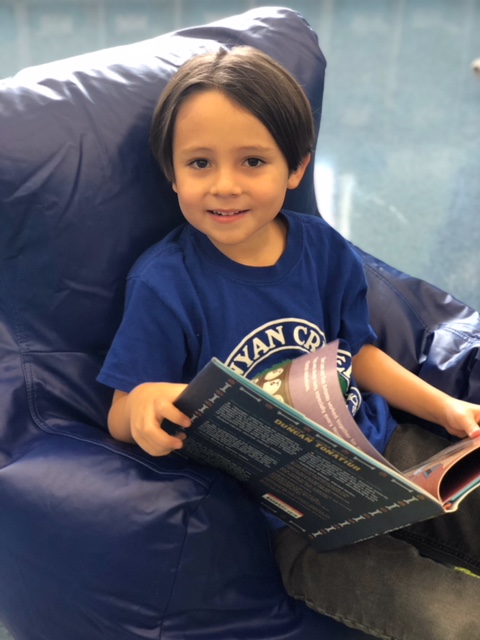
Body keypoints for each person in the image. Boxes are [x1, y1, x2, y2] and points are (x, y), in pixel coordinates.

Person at [98, 46, 480, 639]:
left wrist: (446, 406)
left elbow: (359, 354)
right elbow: (123, 411)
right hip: (294, 520)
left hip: (380, 453)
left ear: (296, 169)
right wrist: (143, 405)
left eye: (253, 161)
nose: (225, 185)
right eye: (199, 163)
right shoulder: (164, 284)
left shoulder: (321, 249)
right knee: (452, 619)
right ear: (171, 173)